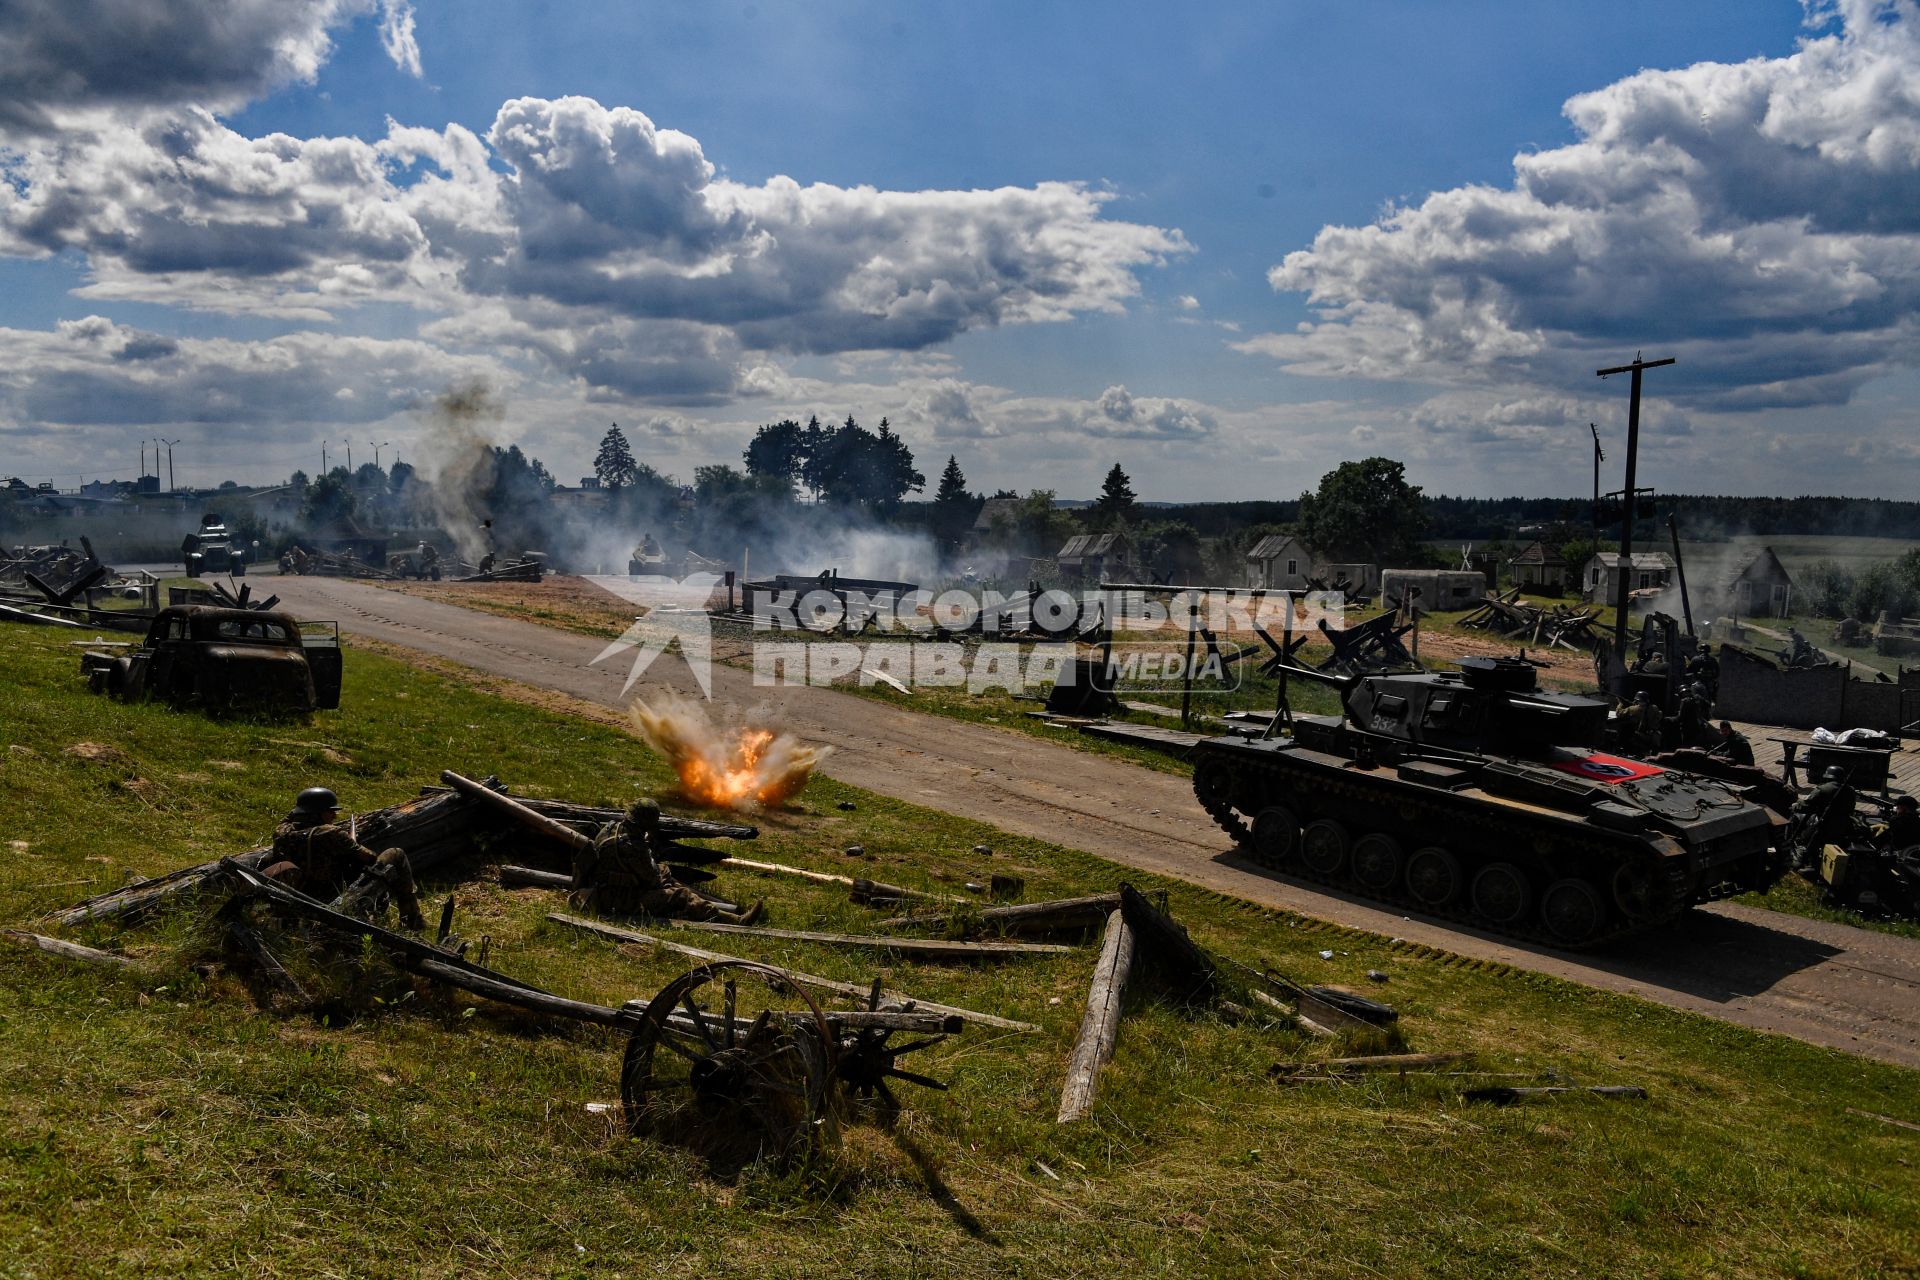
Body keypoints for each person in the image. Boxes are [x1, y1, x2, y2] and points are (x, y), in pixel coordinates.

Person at [572, 799, 764, 924]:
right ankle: (735, 920)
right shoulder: (633, 846)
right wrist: (657, 869)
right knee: (680, 895)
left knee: (663, 872)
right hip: (616, 899)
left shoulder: (610, 828)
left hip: (598, 890)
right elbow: (651, 880)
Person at [264, 787, 428, 930]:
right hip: (331, 896)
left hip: (297, 893)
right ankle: (413, 919)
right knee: (396, 853)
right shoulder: (330, 833)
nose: (334, 816)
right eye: (330, 811)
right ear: (318, 813)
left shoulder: (282, 831)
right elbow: (369, 858)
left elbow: (289, 817)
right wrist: (349, 840)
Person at [1790, 767, 1859, 870]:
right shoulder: (1850, 790)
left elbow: (1806, 806)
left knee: (1799, 824)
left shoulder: (1822, 789)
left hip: (1824, 826)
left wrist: (1796, 804)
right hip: (1844, 826)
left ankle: (1804, 855)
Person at [1624, 690, 1663, 757]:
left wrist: (1620, 703)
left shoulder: (1633, 709)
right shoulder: (1654, 707)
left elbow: (1619, 713)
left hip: (1641, 736)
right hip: (1653, 735)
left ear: (1637, 700)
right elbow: (1659, 715)